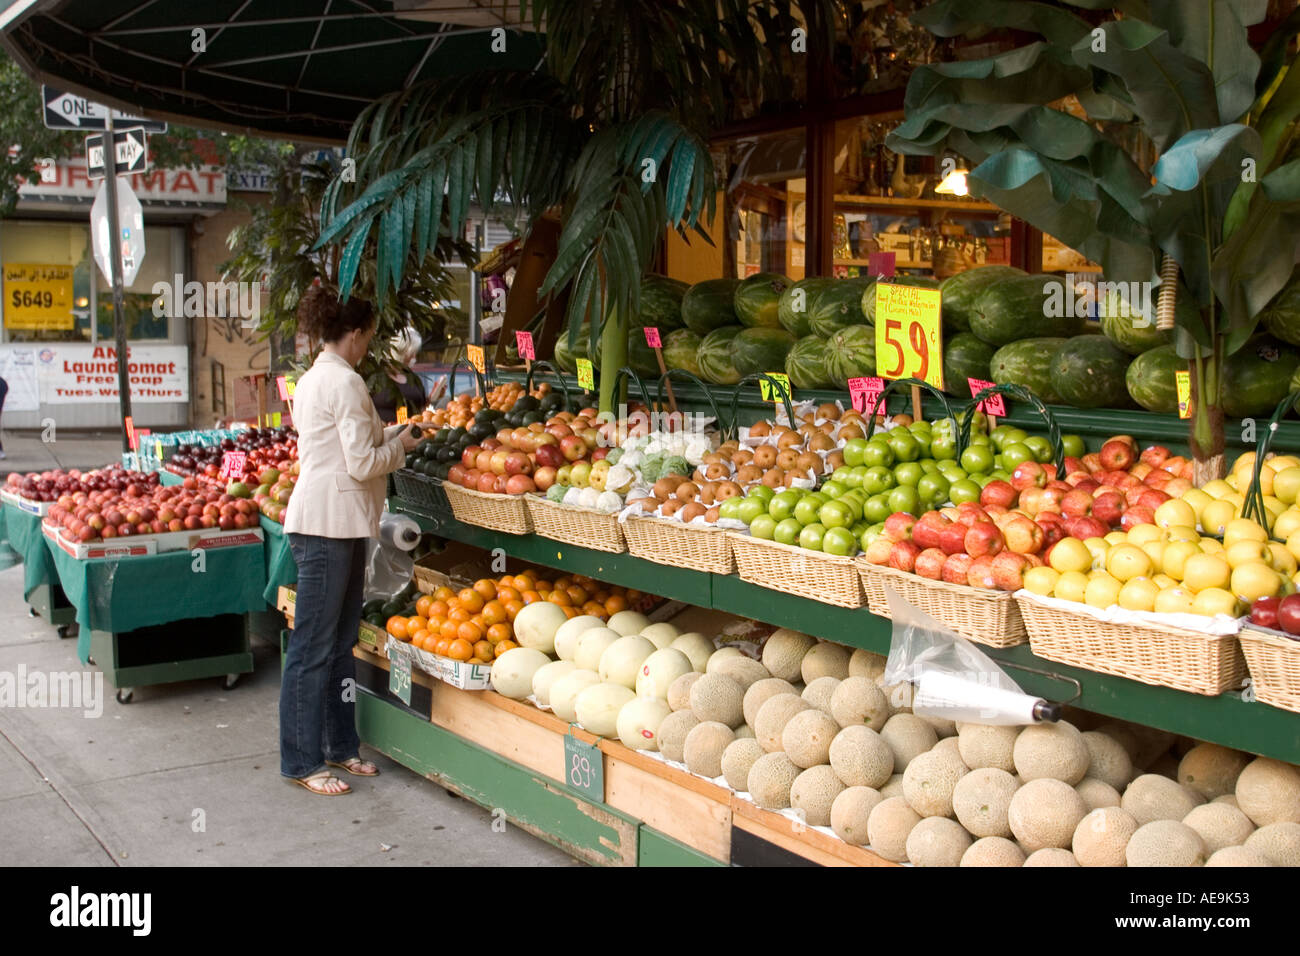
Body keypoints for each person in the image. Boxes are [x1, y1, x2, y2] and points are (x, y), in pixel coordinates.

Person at [281, 287, 421, 795]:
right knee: (314, 648)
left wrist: (392, 437)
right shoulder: (343, 383)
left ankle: (341, 747)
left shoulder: (317, 377)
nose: (369, 345)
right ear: (357, 334)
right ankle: (301, 761)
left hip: (334, 522)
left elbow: (348, 450)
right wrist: (399, 447)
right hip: (327, 526)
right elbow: (361, 464)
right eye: (369, 336)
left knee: (339, 645)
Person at [370, 326, 428, 423]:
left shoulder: (413, 377)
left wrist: (434, 396)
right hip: (385, 433)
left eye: (415, 353)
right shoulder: (376, 377)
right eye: (411, 353)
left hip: (412, 432)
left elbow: (421, 409)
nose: (414, 357)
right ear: (400, 350)